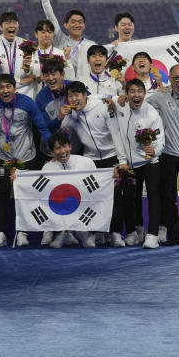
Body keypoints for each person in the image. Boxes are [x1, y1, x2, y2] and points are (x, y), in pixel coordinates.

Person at [0, 73, 53, 247]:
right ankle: (1, 233)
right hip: (4, 158)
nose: (5, 90)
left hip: (27, 158)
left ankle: (23, 232)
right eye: (1, 88)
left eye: (8, 87)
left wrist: (53, 148)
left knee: (27, 196)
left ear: (14, 88)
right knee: (2, 194)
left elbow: (42, 126)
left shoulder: (27, 102)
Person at [60, 80, 129, 247]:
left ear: (85, 95)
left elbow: (116, 134)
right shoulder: (72, 114)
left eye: (77, 95)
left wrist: (122, 161)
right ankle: (94, 233)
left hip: (111, 157)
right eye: (70, 96)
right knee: (91, 198)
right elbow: (63, 132)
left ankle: (115, 233)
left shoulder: (102, 106)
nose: (74, 99)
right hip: (90, 160)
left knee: (115, 198)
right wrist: (63, 117)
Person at [146, 64, 179, 247]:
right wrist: (120, 98)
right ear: (169, 78)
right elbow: (140, 104)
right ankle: (174, 235)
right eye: (177, 78)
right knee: (169, 196)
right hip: (168, 153)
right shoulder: (160, 96)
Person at [115, 79, 165, 248]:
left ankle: (152, 235)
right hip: (129, 165)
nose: (136, 95)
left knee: (153, 196)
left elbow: (159, 141)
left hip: (150, 163)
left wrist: (154, 151)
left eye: (140, 91)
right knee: (130, 198)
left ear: (144, 94)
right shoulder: (119, 106)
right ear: (127, 95)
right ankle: (136, 231)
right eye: (132, 92)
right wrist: (123, 161)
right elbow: (102, 99)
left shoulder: (152, 115)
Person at [40, 134, 97, 248]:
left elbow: (97, 187)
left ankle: (85, 233)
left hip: (83, 204)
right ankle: (60, 232)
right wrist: (19, 182)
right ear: (52, 152)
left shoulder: (86, 162)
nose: (62, 151)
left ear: (70, 146)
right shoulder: (47, 168)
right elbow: (41, 194)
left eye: (65, 146)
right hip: (59, 208)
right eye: (58, 148)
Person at [37, 0, 94, 78]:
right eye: (73, 22)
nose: (77, 25)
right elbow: (50, 16)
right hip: (61, 85)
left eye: (80, 22)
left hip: (83, 87)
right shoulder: (60, 39)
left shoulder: (92, 45)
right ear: (66, 25)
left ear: (84, 25)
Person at [0, 12, 27, 78]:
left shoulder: (26, 45)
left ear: (18, 26)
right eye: (7, 23)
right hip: (0, 86)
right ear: (0, 27)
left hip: (22, 87)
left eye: (15, 23)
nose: (11, 26)